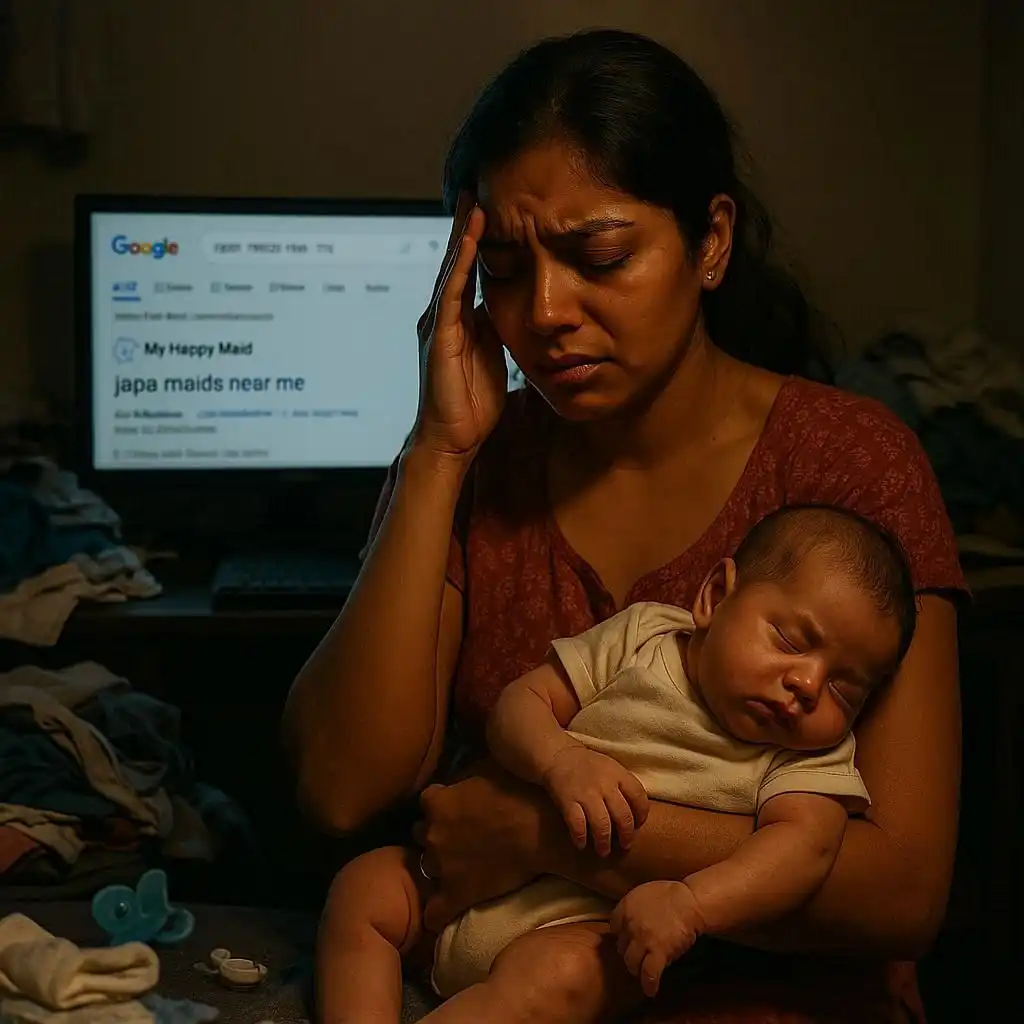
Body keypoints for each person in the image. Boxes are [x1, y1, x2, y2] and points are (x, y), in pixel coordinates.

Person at [283, 27, 966, 1024]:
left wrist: (544, 833)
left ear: (712, 241)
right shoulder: (484, 462)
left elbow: (900, 893)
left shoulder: (847, 465)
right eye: (507, 272)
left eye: (598, 257)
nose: (545, 310)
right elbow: (342, 787)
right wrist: (435, 449)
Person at [315, 505, 919, 1023]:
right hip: (464, 884)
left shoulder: (807, 753)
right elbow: (519, 705)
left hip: (584, 927)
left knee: (563, 981)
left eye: (846, 689)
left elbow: (804, 850)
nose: (808, 684)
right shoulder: (644, 636)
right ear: (715, 596)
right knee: (363, 890)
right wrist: (560, 759)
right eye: (789, 641)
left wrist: (692, 905)